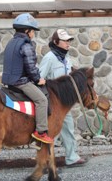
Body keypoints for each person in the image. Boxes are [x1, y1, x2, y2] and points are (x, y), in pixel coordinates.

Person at [2, 13, 54, 144]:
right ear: (27, 31)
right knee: (42, 100)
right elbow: (31, 66)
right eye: (33, 31)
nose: (33, 34)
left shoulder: (11, 42)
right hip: (21, 82)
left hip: (9, 81)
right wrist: (38, 80)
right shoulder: (26, 44)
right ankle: (41, 132)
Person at [39, 29, 88, 166]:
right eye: (65, 41)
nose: (68, 43)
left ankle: (72, 157)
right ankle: (47, 161)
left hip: (64, 103)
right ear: (56, 42)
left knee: (68, 127)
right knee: (50, 132)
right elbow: (40, 77)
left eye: (69, 40)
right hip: (52, 103)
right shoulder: (49, 58)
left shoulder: (66, 59)